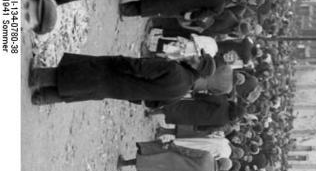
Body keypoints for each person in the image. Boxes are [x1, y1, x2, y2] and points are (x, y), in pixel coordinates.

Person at [29, 52, 216, 106]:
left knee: (75, 75)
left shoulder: (174, 69)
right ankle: (40, 98)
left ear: (197, 67)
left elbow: (138, 67)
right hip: (120, 91)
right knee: (81, 90)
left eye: (198, 59)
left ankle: (36, 77)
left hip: (114, 73)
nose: (194, 56)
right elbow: (154, 104)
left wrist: (117, 60)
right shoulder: (183, 90)